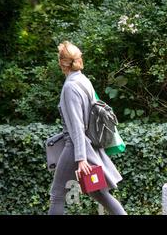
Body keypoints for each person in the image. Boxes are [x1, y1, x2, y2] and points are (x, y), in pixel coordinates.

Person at [48, 41, 126, 215]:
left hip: (75, 147)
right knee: (98, 192)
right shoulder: (84, 80)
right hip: (88, 145)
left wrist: (81, 159)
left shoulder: (70, 87)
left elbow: (77, 126)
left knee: (57, 194)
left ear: (62, 63)